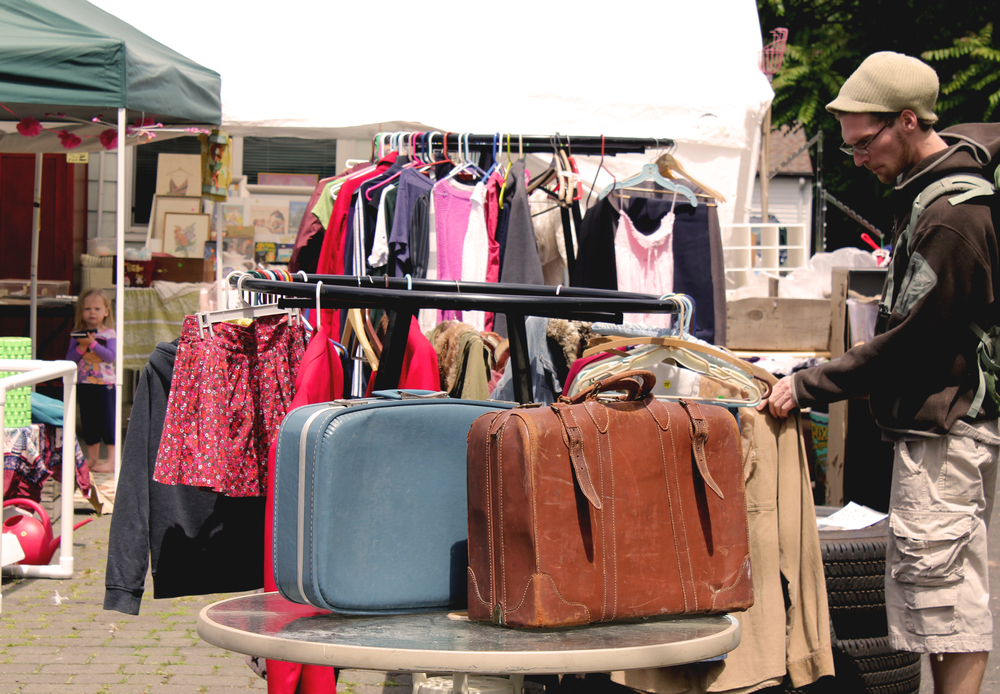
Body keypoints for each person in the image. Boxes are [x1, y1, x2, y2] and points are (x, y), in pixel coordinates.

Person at [759, 51, 1000, 694]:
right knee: (942, 597)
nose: (858, 159)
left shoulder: (951, 216)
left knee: (947, 604)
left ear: (908, 121)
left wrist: (808, 383)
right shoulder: (934, 189)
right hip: (946, 426)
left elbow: (913, 344)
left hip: (947, 433)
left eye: (865, 143)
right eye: (851, 147)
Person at [67, 288, 117, 474]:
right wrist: (82, 347)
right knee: (89, 422)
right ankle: (93, 458)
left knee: (108, 422)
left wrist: (93, 344)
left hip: (105, 385)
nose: (92, 313)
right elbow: (69, 359)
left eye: (97, 309)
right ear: (81, 311)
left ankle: (112, 460)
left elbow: (110, 357)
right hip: (84, 384)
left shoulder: (109, 334)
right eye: (87, 309)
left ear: (106, 311)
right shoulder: (78, 333)